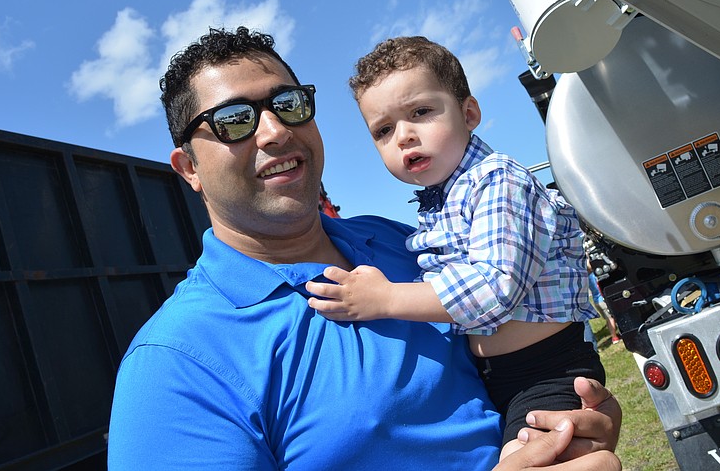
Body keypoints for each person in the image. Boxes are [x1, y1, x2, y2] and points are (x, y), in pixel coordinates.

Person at [107, 26, 622, 470]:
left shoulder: (404, 245)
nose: (274, 131)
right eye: (234, 120)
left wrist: (572, 425)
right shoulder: (175, 366)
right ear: (189, 167)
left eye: (287, 105)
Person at [306, 36, 605, 461]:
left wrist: (386, 297)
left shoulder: (497, 180)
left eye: (421, 113)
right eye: (384, 130)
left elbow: (495, 288)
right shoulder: (438, 202)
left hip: (548, 371)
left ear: (469, 113)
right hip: (494, 378)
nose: (404, 136)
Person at [588, 261, 621, 344]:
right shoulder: (595, 276)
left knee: (608, 318)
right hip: (602, 300)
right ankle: (614, 337)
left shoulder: (587, 277)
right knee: (611, 318)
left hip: (596, 302)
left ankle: (616, 334)